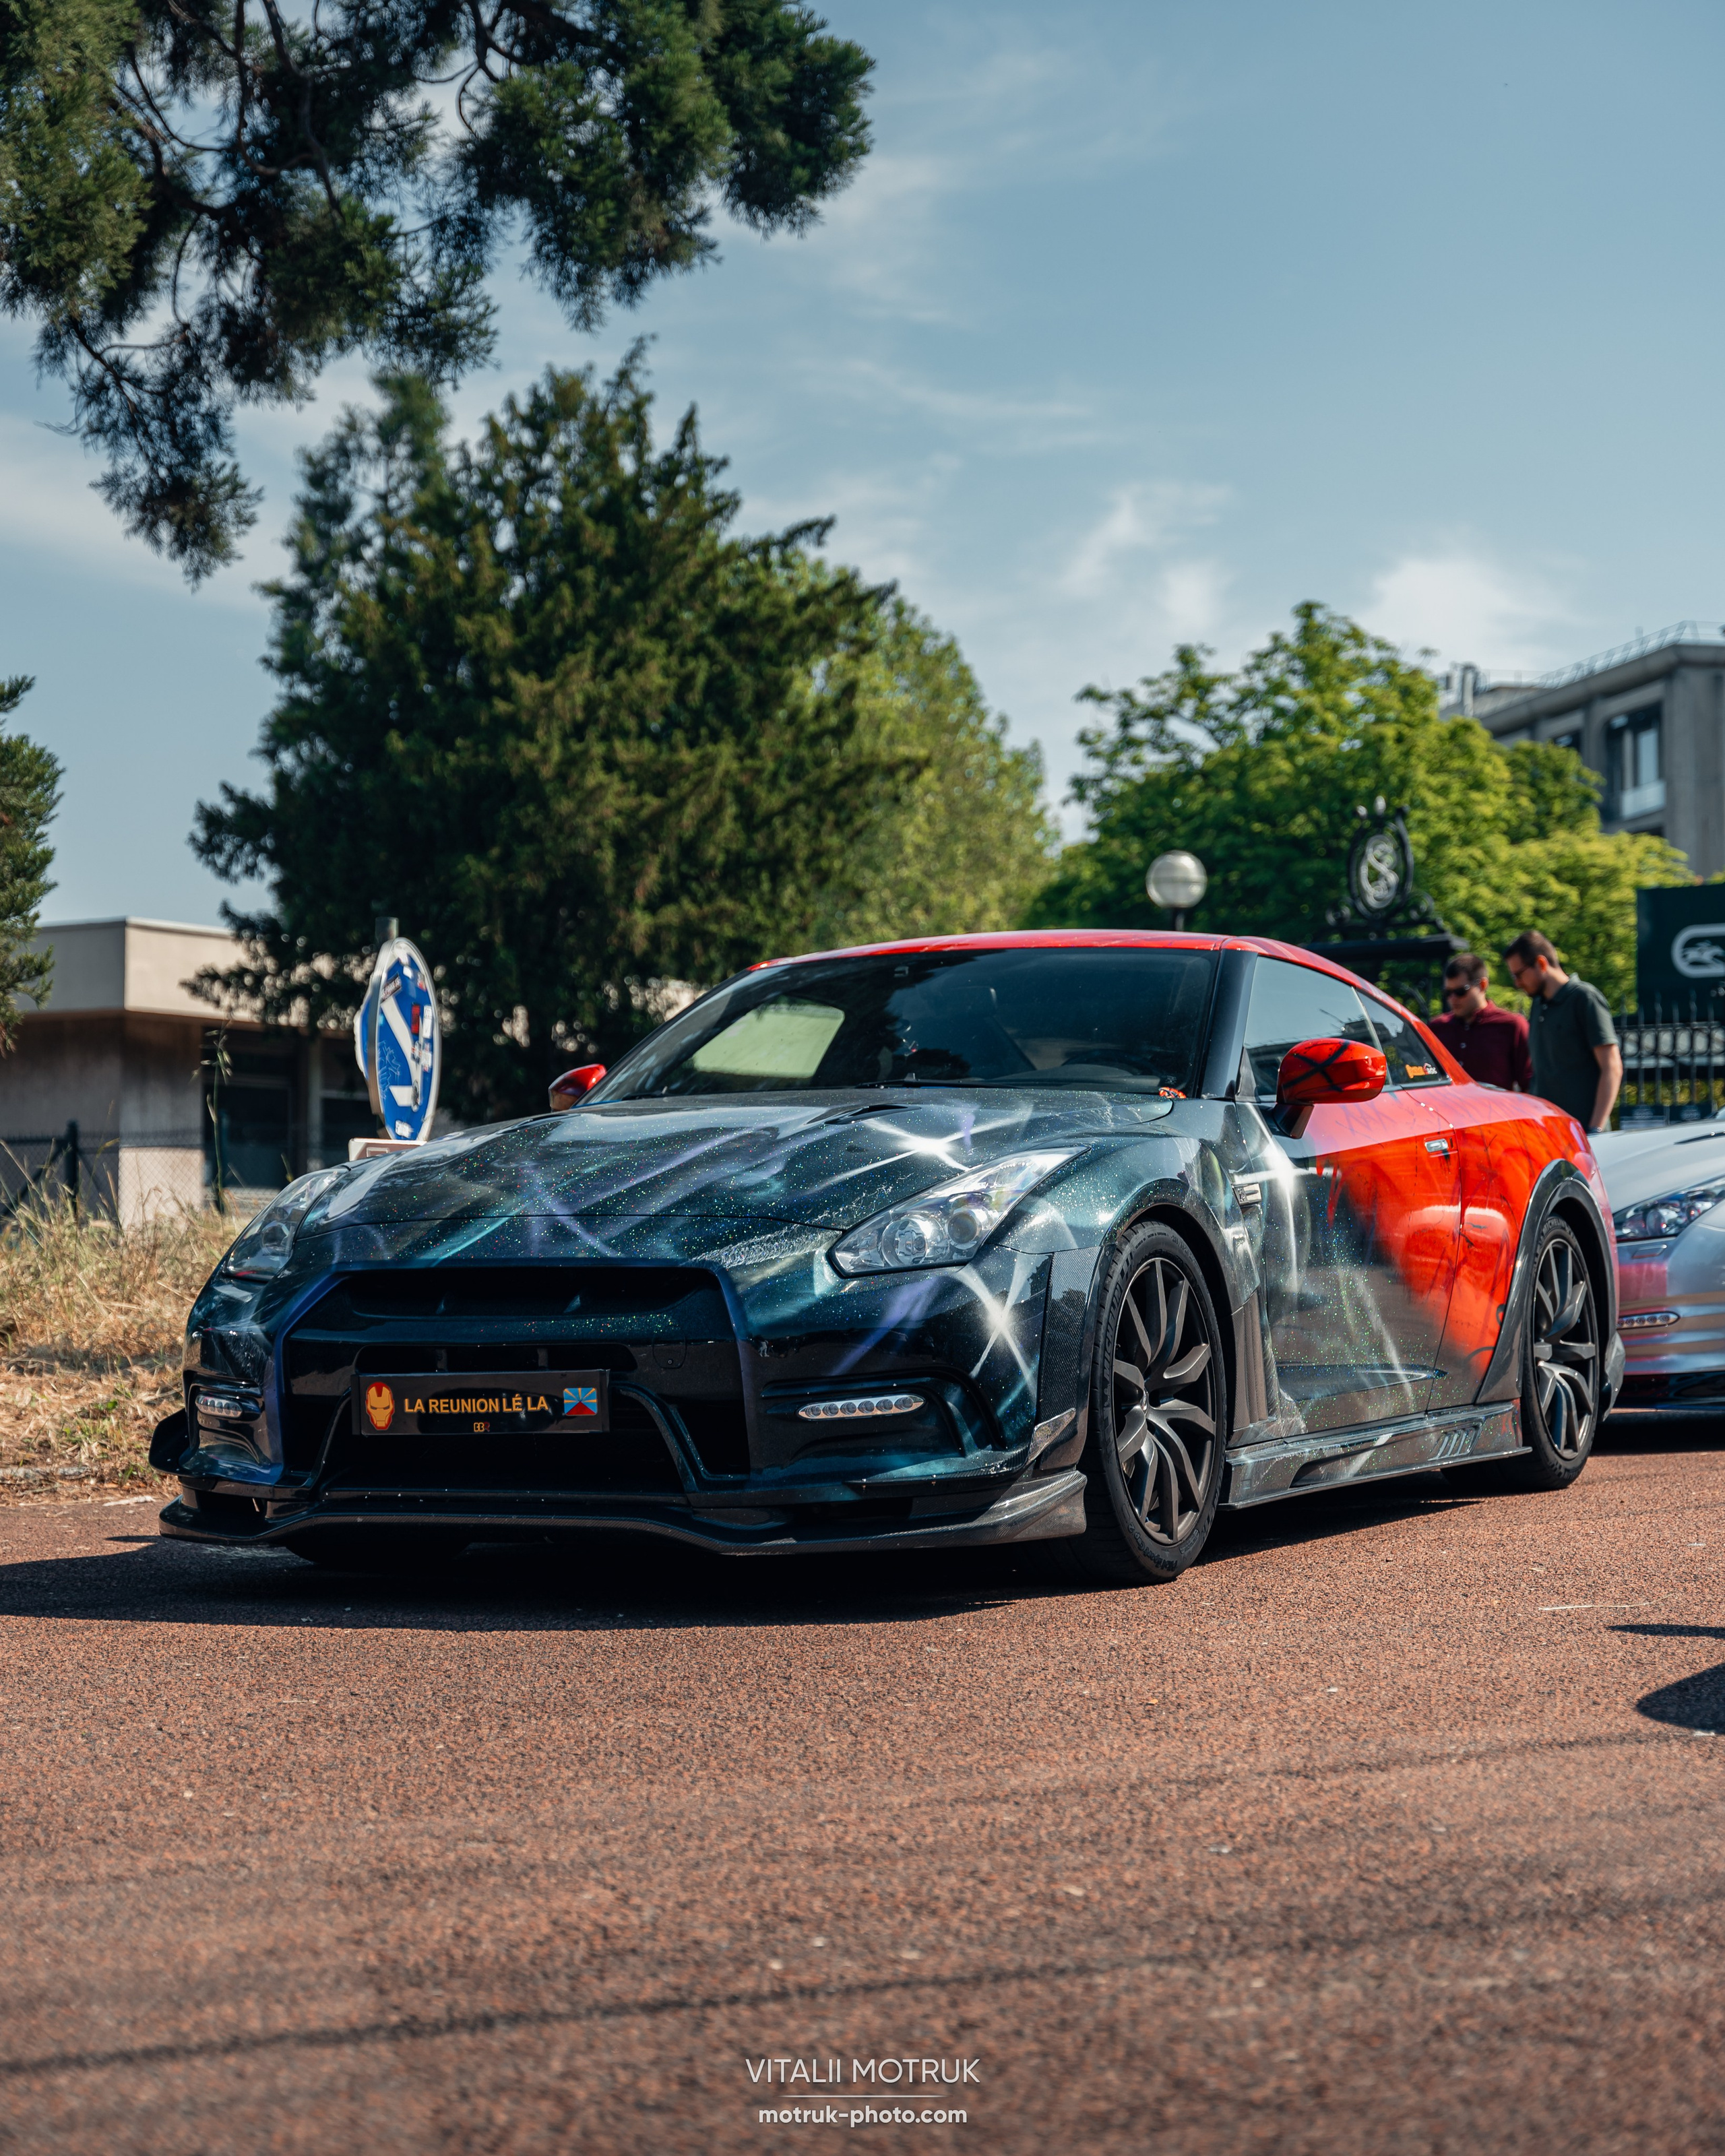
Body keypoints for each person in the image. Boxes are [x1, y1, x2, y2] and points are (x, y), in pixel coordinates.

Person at [1502, 930, 1622, 1133]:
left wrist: (1596, 1129)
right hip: (1550, 1135)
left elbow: (1612, 1067)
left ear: (1541, 963)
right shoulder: (1538, 1004)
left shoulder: (1584, 998)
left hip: (1585, 1137)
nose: (1517, 983)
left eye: (1519, 974)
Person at [1430, 951, 1532, 1091]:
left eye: (1461, 992)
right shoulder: (1437, 1028)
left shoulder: (1511, 1026)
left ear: (1483, 985)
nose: (1452, 999)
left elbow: (1530, 1084)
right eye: (1448, 992)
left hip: (1496, 1111)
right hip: (1446, 1111)